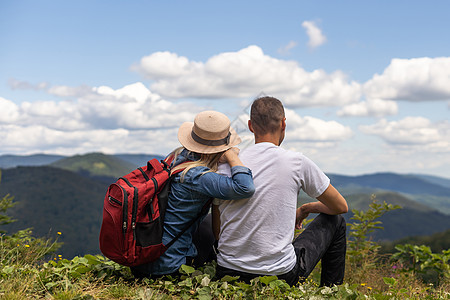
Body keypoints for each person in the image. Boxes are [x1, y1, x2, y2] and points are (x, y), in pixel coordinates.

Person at [213, 96, 348, 287]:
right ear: (283, 123)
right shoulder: (296, 162)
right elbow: (340, 206)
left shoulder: (228, 164)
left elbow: (217, 228)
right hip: (280, 276)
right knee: (336, 220)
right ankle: (332, 291)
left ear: (251, 126)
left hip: (228, 272)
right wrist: (306, 208)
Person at [131, 110, 255, 278]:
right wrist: (232, 157)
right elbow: (245, 188)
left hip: (145, 257)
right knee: (211, 229)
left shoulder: (176, 158)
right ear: (220, 149)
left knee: (207, 222)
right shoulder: (198, 176)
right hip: (168, 267)